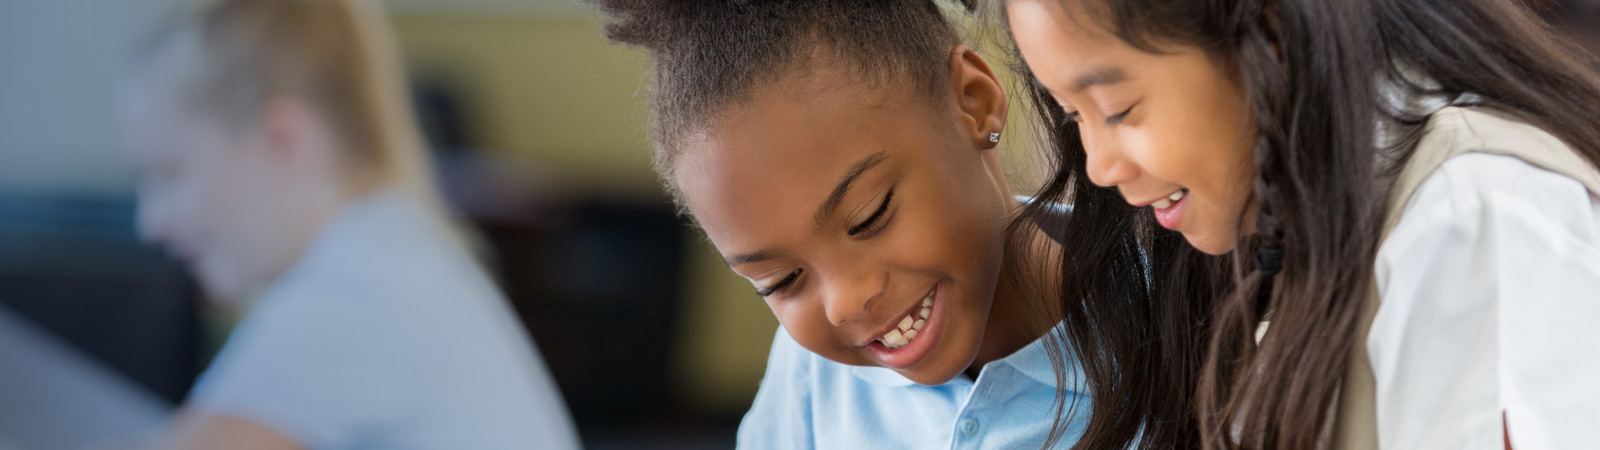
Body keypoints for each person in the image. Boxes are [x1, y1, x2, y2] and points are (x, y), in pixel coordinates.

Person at [1004, 0, 1600, 448]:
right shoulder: (1304, 223)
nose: (1100, 166)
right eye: (1073, 115)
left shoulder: (1476, 221)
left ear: (1272, 35)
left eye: (1117, 110)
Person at [588, 0, 1183, 448]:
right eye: (782, 281)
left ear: (973, 102)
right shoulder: (810, 378)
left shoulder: (1189, 324)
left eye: (869, 216)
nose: (845, 303)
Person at [115, 0, 582, 448]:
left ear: (281, 140)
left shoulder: (351, 293)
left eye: (170, 173)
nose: (150, 224)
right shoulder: (393, 249)